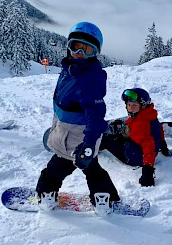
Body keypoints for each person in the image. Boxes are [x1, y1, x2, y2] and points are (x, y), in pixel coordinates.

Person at [36, 22, 120, 215]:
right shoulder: (71, 69)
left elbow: (96, 115)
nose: (80, 53)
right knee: (92, 170)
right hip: (65, 129)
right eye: (76, 46)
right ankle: (104, 197)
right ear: (69, 46)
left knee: (54, 170)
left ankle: (46, 194)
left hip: (77, 137)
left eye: (87, 49)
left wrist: (89, 143)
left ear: (95, 53)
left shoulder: (89, 79)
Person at [99, 88, 162, 187]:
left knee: (104, 141)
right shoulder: (148, 115)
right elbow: (160, 129)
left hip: (132, 156)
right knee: (117, 136)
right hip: (134, 146)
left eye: (134, 105)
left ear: (142, 106)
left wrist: (147, 172)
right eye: (129, 105)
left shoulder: (142, 124)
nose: (131, 108)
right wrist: (164, 145)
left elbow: (149, 147)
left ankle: (89, 148)